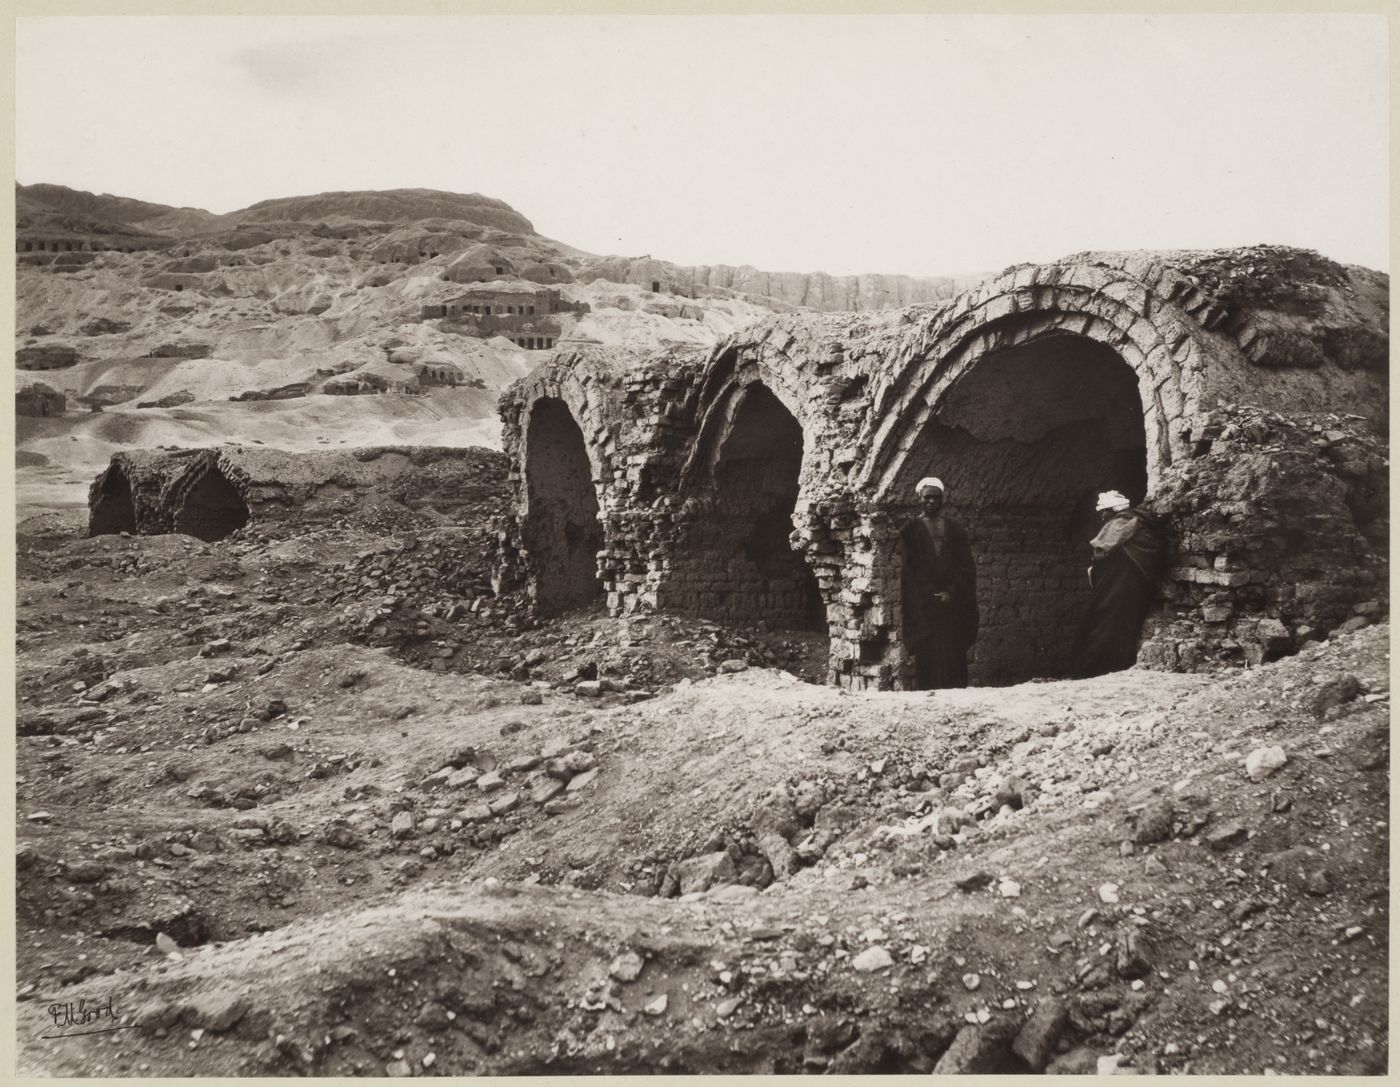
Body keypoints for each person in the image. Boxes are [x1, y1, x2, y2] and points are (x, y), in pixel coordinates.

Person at [1072, 490, 1168, 678]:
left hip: (1119, 588)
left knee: (1105, 627)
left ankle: (1098, 670)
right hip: (1126, 587)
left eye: (1104, 511)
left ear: (1113, 510)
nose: (1102, 515)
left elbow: (1101, 552)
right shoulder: (1138, 523)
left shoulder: (1119, 524)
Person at [900, 477, 979, 689]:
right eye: (928, 497)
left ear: (943, 499)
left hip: (951, 604)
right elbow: (911, 569)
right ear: (920, 499)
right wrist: (929, 594)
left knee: (953, 652)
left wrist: (951, 593)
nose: (932, 502)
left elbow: (965, 566)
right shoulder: (910, 529)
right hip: (925, 606)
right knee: (928, 653)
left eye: (937, 497)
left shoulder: (955, 529)